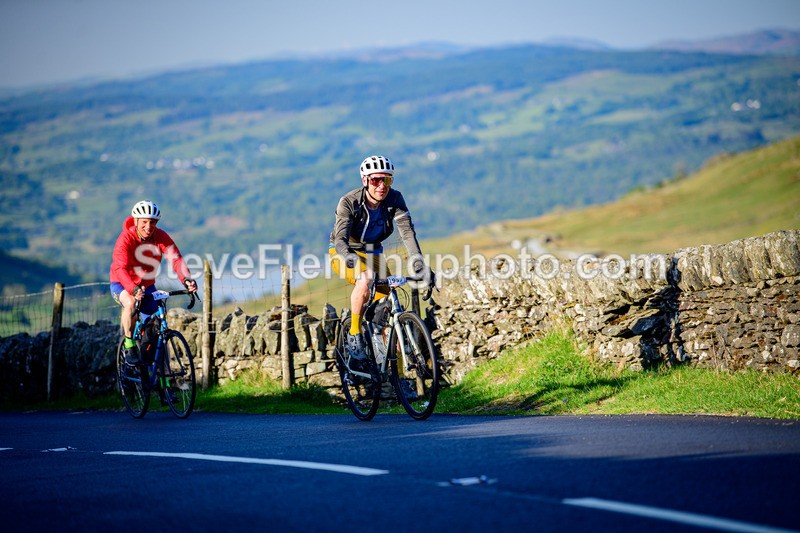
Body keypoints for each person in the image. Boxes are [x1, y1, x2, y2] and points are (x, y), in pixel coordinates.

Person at [329, 155, 433, 363]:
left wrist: (420, 265)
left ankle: (397, 380)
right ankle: (354, 333)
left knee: (390, 311)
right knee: (366, 279)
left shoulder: (395, 199)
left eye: (386, 180)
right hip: (344, 252)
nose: (381, 186)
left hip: (374, 253)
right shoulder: (349, 202)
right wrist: (355, 263)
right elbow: (340, 240)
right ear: (365, 181)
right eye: (376, 180)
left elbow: (407, 234)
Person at [110, 200, 197, 365]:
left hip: (146, 285)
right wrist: (133, 289)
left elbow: (176, 259)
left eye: (153, 222)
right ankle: (129, 345)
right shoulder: (126, 238)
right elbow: (120, 268)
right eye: (144, 222)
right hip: (122, 283)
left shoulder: (160, 236)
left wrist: (186, 279)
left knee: (157, 326)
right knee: (130, 304)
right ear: (136, 221)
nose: (148, 226)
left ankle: (158, 373)